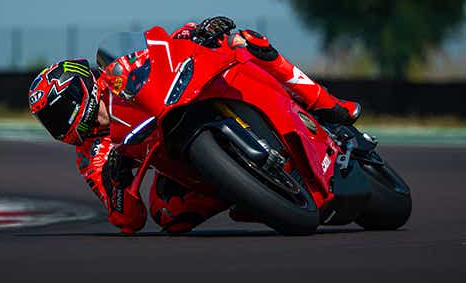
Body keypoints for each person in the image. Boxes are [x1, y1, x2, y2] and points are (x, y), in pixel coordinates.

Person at [27, 16, 360, 235]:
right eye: (52, 120)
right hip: (177, 158)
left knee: (245, 42)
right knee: (167, 215)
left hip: (185, 96)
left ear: (82, 84)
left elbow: (163, 48)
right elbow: (127, 219)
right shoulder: (91, 156)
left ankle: (327, 104)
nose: (63, 119)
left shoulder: (118, 70)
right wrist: (116, 182)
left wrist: (196, 32)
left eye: (63, 107)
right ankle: (245, 191)